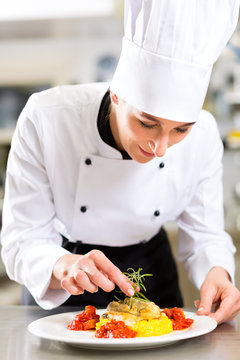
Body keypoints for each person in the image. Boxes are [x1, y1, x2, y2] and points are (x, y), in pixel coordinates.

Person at [1, 0, 240, 324]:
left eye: (180, 130)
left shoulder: (204, 134)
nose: (160, 148)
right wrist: (62, 266)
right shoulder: (47, 119)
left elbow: (205, 234)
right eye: (146, 123)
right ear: (116, 94)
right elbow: (21, 240)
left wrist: (218, 272)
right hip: (63, 277)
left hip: (151, 273)